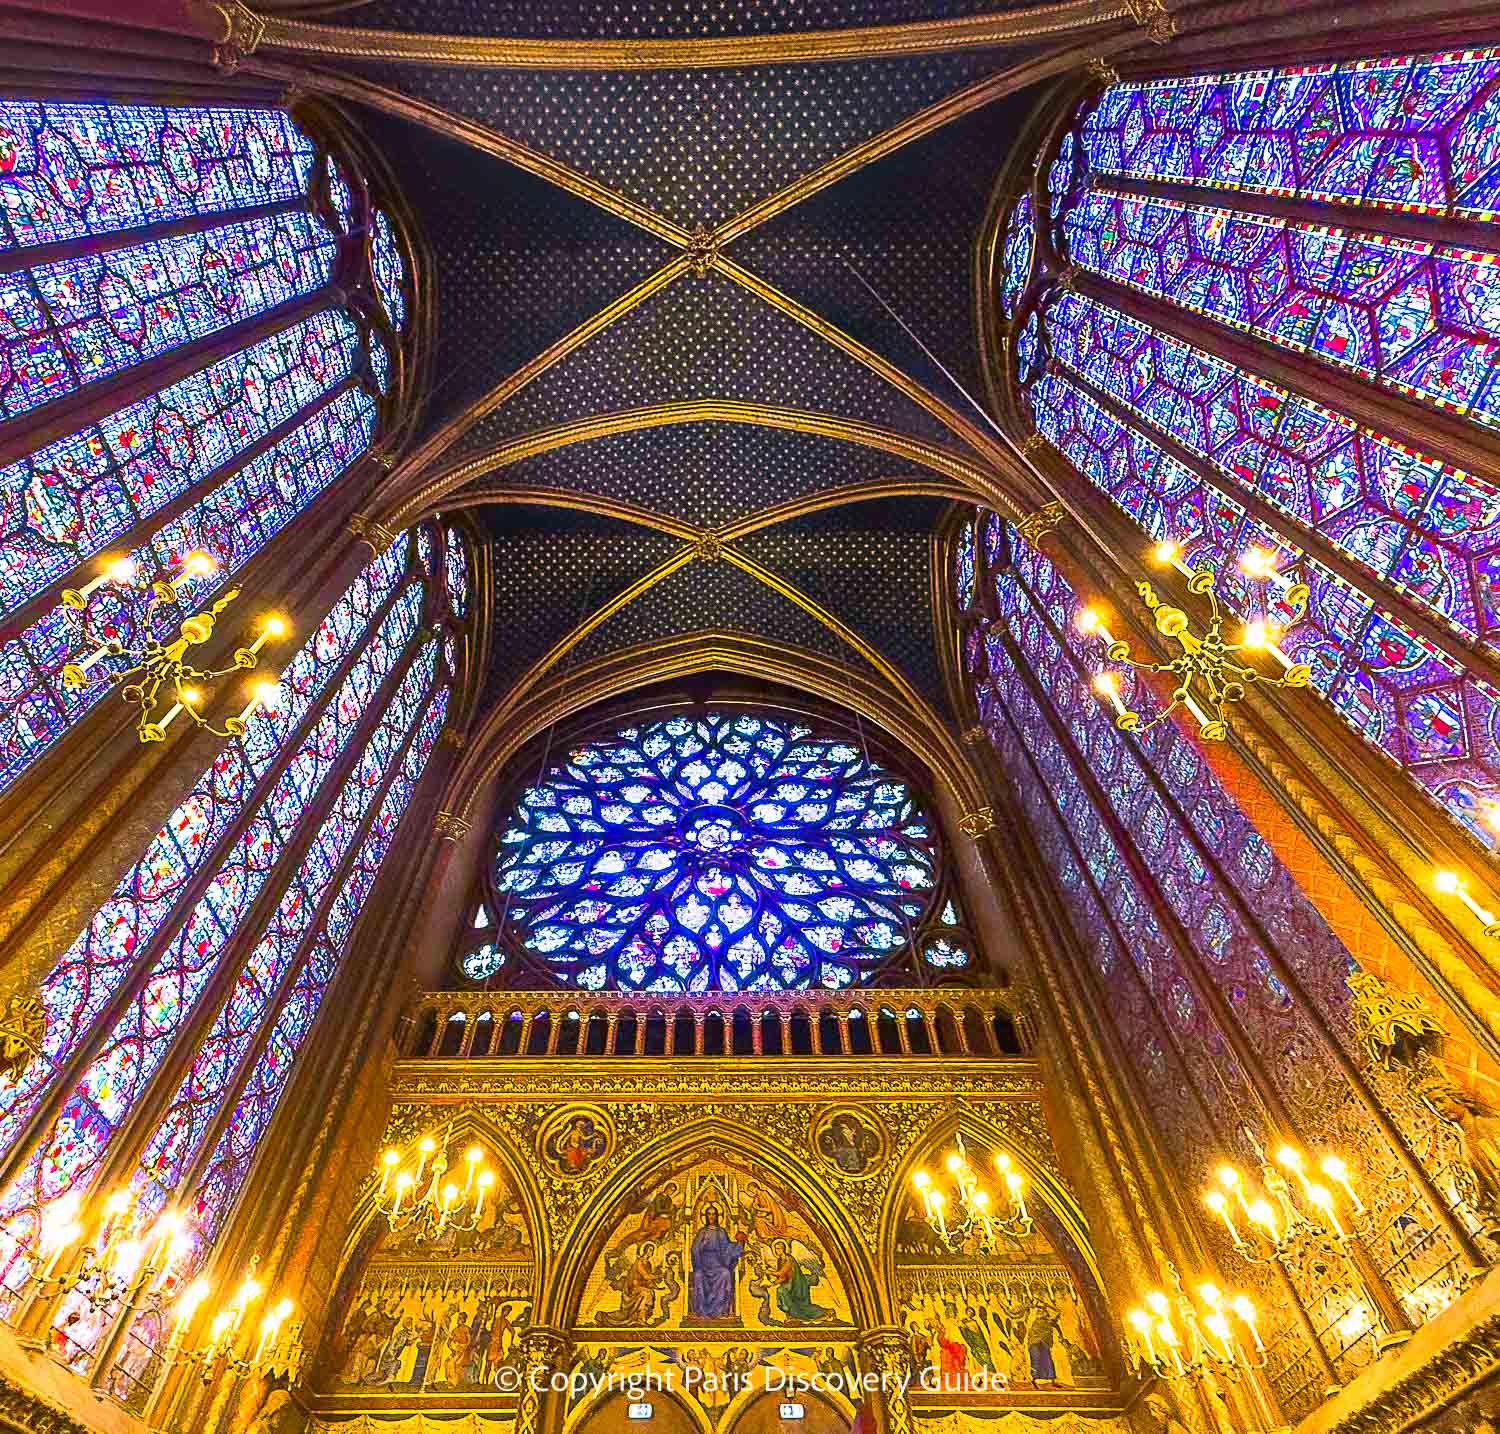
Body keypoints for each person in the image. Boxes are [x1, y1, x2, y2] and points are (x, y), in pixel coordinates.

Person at [688, 1206, 745, 1320]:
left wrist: (739, 1243)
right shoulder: (702, 1232)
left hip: (717, 1263)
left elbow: (727, 1249)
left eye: (714, 1214)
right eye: (709, 1214)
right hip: (703, 1263)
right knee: (698, 1276)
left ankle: (720, 1309)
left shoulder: (721, 1232)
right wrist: (702, 1245)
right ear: (705, 1216)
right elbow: (694, 1250)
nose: (711, 1216)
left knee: (725, 1274)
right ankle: (702, 1310)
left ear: (717, 1216)